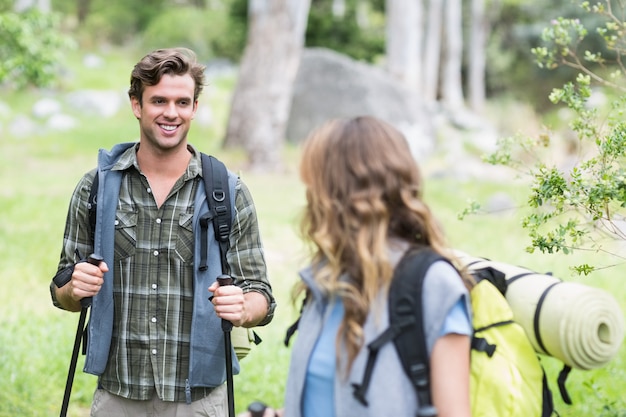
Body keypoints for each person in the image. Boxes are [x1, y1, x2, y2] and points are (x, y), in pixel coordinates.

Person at [49, 47, 276, 417]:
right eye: (159, 101)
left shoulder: (228, 192)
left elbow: (262, 297)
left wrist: (243, 307)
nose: (171, 112)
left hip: (199, 399)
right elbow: (61, 291)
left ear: (195, 108)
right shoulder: (96, 188)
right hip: (117, 393)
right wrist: (74, 287)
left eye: (182, 102)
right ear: (136, 104)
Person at [246, 116, 473, 417]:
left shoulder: (433, 285)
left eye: (314, 186)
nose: (308, 199)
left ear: (338, 196)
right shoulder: (325, 280)